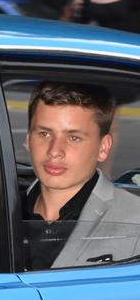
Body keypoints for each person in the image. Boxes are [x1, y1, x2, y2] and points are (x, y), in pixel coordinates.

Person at [22, 81, 140, 269]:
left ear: (103, 147)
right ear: (28, 139)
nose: (55, 151)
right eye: (44, 133)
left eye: (74, 138)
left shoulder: (136, 218)